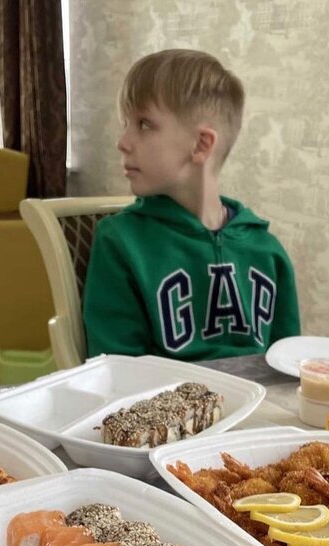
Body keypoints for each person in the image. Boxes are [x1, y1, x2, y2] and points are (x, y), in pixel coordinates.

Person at [83, 49, 301, 360]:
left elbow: (287, 364)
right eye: (125, 123)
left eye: (144, 124)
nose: (122, 142)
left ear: (200, 145)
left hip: (257, 393)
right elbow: (115, 369)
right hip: (160, 392)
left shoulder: (267, 251)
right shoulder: (120, 241)